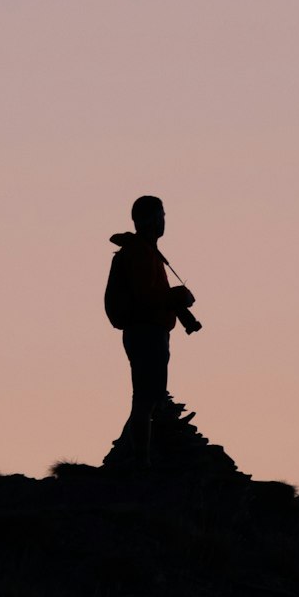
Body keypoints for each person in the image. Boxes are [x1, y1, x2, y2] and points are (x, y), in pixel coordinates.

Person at [104, 195, 196, 470]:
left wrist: (179, 309)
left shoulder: (145, 252)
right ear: (148, 220)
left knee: (149, 395)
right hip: (146, 332)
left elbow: (153, 294)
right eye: (159, 215)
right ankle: (139, 459)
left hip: (147, 331)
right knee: (146, 397)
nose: (161, 221)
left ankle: (131, 453)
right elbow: (147, 296)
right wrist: (178, 297)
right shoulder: (140, 253)